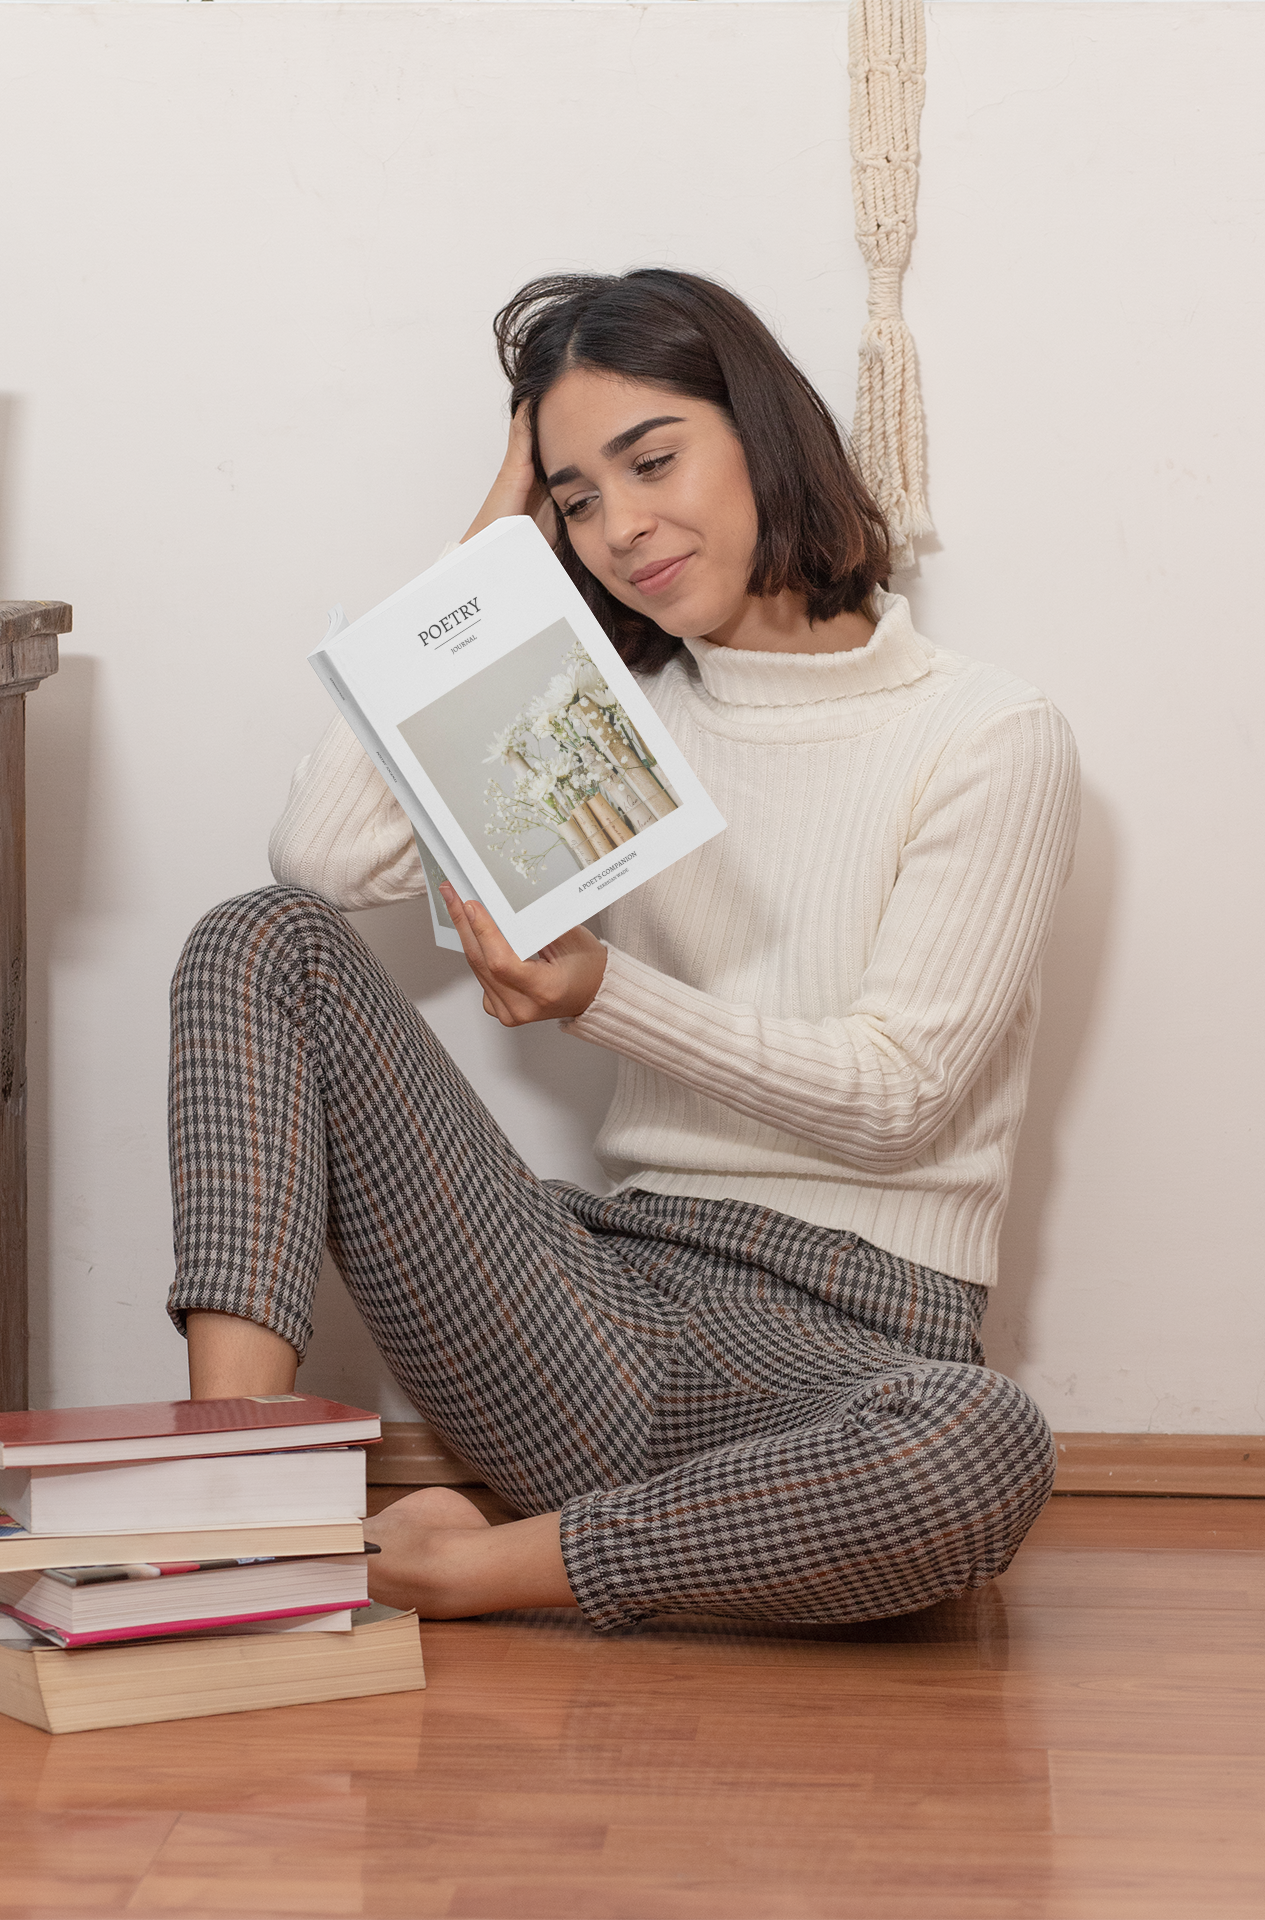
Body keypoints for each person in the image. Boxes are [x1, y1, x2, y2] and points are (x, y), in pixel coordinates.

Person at [169, 269, 1080, 1630]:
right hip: (586, 1310)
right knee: (264, 940)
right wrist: (494, 546)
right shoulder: (600, 719)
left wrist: (604, 994)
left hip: (854, 1356)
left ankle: (474, 1569)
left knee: (981, 1446)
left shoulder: (988, 736)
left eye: (652, 460)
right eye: (577, 498)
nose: (621, 528)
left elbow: (901, 1102)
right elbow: (325, 857)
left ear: (764, 433)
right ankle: (222, 1514)